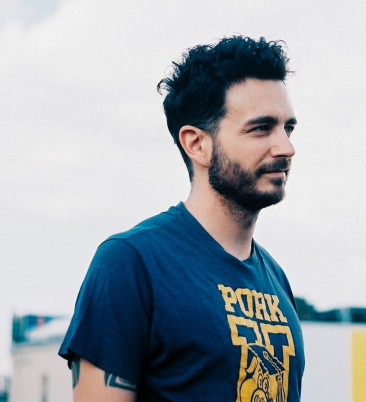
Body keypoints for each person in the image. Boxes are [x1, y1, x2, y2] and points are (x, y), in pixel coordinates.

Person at [59, 36, 305, 402]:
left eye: (288, 128)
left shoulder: (275, 278)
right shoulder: (131, 263)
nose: (286, 147)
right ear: (197, 144)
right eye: (261, 128)